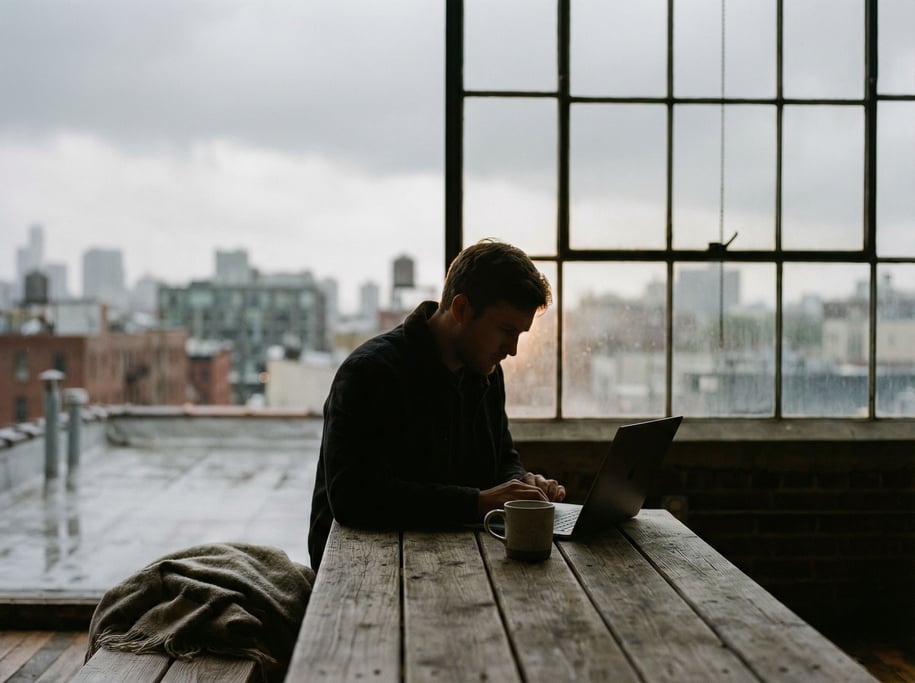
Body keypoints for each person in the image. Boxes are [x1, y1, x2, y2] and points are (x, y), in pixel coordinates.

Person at [307, 239, 566, 569]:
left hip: (451, 557)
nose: (512, 349)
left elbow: (502, 456)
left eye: (520, 334)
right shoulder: (370, 373)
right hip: (361, 568)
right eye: (505, 330)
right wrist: (477, 503)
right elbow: (353, 499)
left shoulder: (486, 373)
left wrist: (520, 488)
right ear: (460, 310)